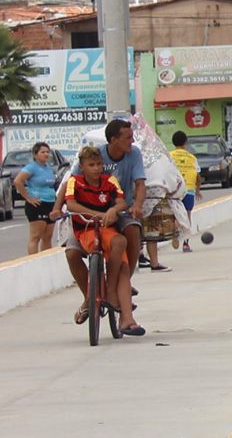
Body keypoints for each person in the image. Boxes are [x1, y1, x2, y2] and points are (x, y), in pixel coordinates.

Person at [59, 144, 140, 335]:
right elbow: (70, 203)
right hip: (84, 228)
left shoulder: (109, 180)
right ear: (82, 166)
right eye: (91, 165)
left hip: (106, 228)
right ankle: (89, 297)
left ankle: (111, 290)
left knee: (119, 242)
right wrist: (97, 214)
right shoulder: (74, 181)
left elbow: (121, 202)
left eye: (98, 164)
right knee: (71, 254)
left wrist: (112, 210)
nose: (96, 168)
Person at [102, 119, 149, 278]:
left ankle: (127, 279)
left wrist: (137, 205)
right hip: (97, 208)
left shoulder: (134, 153)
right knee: (72, 252)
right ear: (113, 140)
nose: (132, 141)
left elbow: (140, 184)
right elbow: (73, 181)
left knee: (133, 230)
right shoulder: (97, 155)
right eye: (128, 138)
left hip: (124, 207)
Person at [15, 141, 61, 256]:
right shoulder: (31, 167)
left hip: (50, 203)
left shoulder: (48, 168)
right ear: (35, 154)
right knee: (36, 236)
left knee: (48, 236)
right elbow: (18, 181)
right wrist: (28, 197)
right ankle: (33, 261)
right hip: (37, 204)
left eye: (47, 152)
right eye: (42, 152)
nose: (46, 154)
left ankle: (46, 260)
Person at [168, 131, 201, 253]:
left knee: (174, 214)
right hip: (189, 189)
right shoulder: (192, 158)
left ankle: (175, 231)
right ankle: (186, 243)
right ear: (186, 142)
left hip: (174, 190)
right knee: (187, 215)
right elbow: (197, 175)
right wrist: (198, 190)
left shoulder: (169, 156)